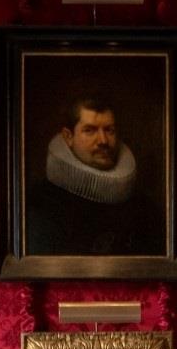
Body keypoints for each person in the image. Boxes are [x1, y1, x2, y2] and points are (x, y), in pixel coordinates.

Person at [24, 98, 167, 257]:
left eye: (109, 130)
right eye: (90, 130)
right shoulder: (40, 203)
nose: (103, 141)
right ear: (68, 136)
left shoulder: (144, 208)